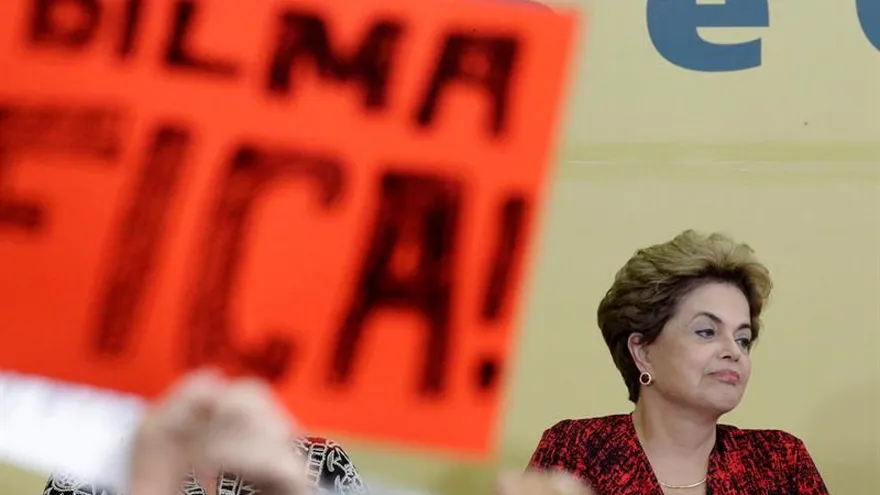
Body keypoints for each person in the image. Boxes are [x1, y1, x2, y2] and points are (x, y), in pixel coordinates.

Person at [526, 230, 829, 494]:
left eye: (743, 339)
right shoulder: (576, 450)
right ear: (643, 352)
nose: (733, 352)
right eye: (707, 331)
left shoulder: (780, 460)